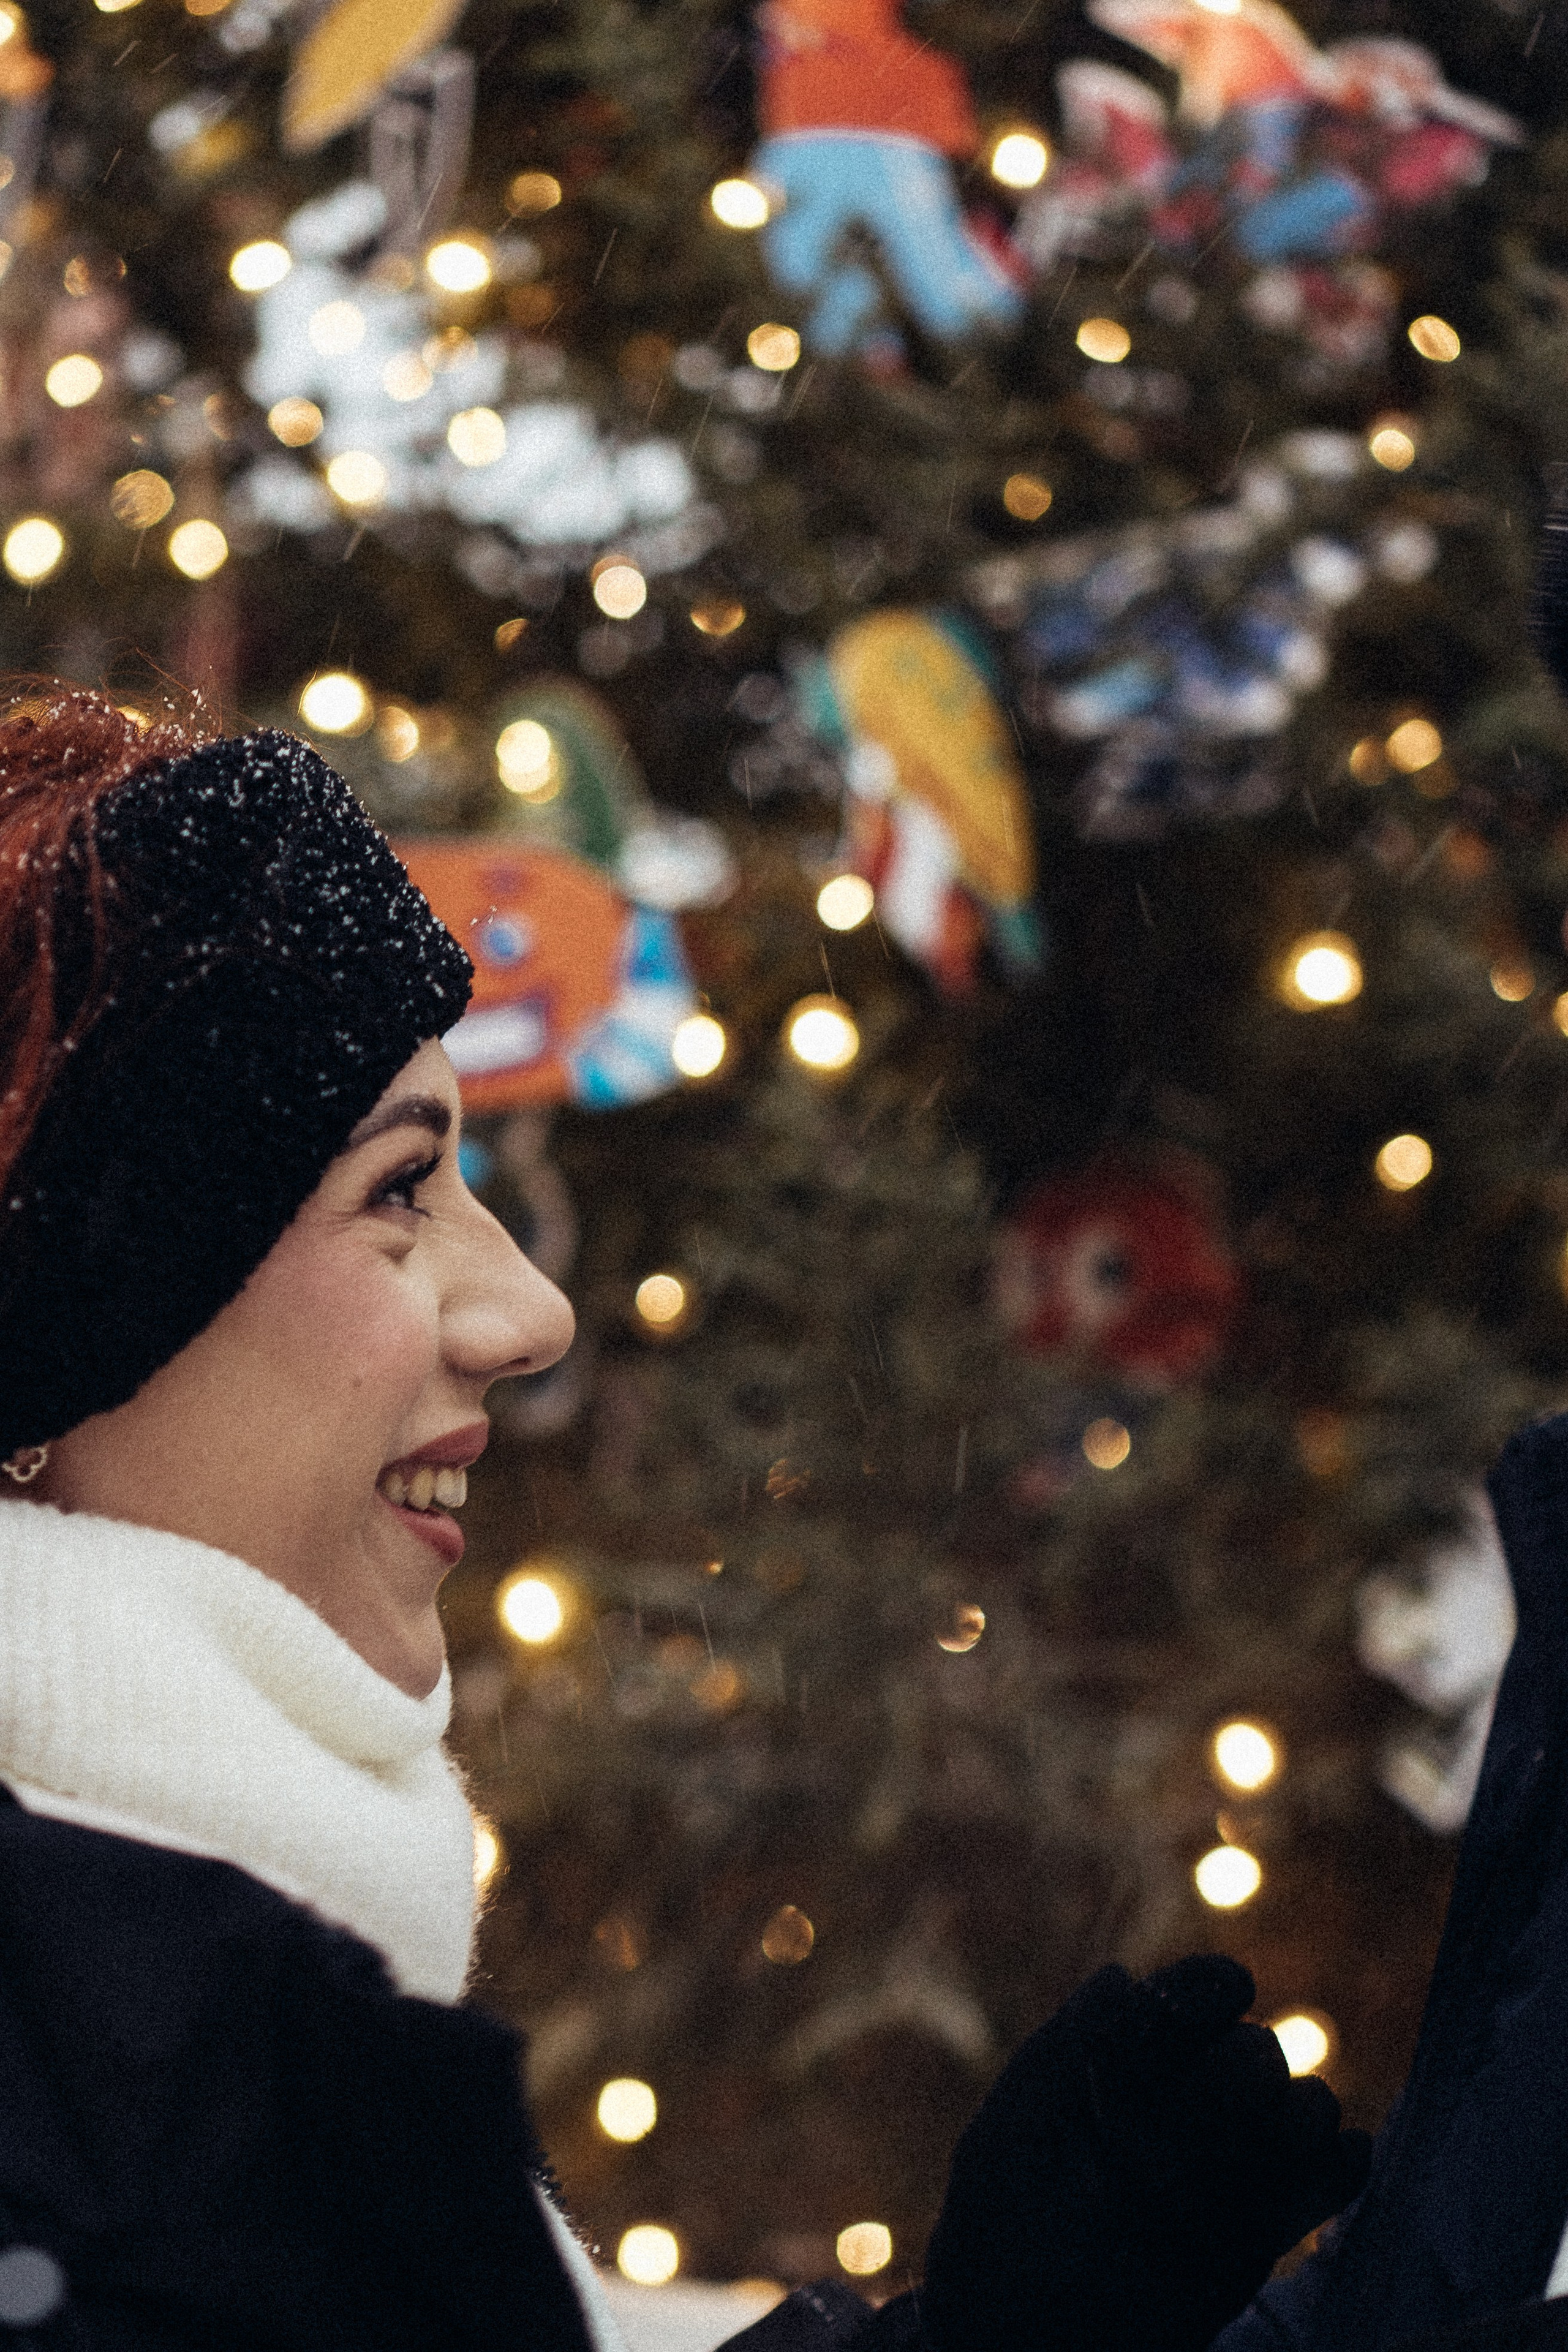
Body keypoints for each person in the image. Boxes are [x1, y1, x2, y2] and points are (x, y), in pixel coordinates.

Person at [0, 687, 1367, 2352]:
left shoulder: (176, 2023)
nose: (527, 1315)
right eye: (398, 1190)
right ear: (62, 1327)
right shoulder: (104, 2102)